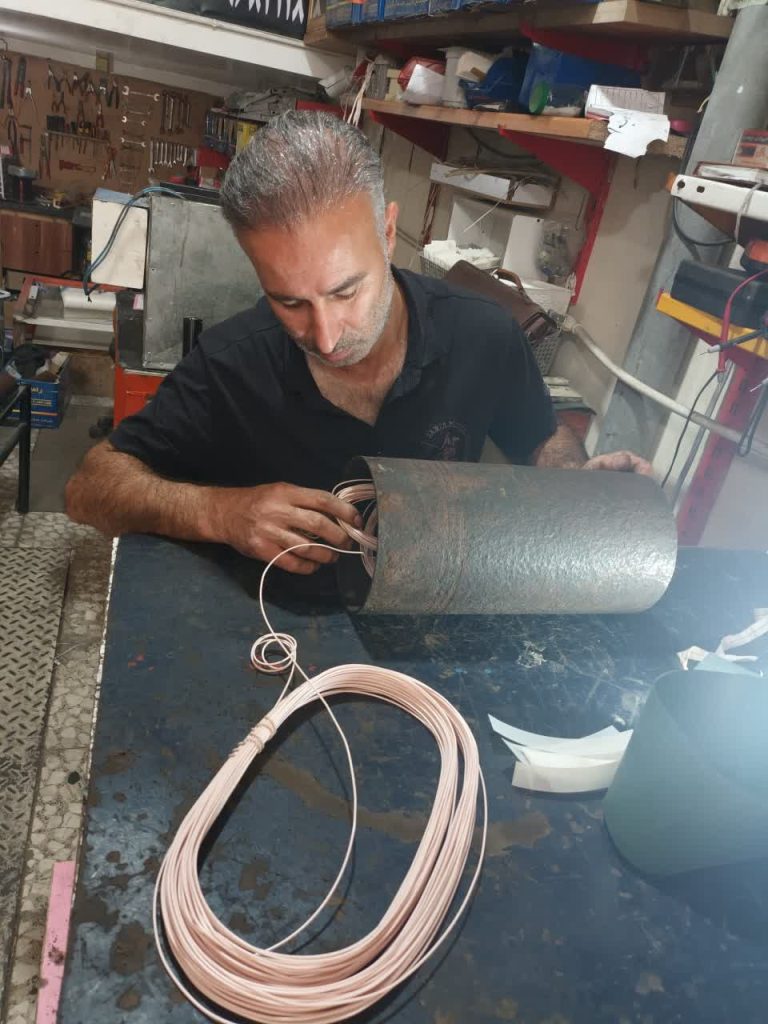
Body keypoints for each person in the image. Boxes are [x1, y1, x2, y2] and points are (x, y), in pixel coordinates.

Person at [66, 111, 651, 576]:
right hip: (273, 631)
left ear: (388, 233)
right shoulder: (230, 365)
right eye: (289, 302)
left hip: (426, 607)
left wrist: (575, 480)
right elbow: (90, 488)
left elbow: (540, 438)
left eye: (346, 291)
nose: (325, 337)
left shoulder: (483, 335)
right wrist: (220, 512)